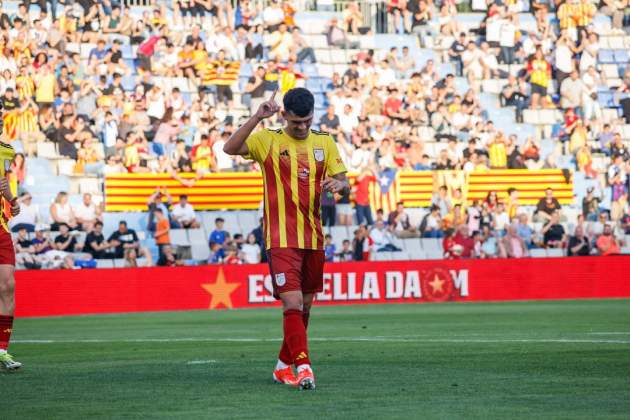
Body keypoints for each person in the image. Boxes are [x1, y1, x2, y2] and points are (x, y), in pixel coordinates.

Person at [223, 87, 349, 390]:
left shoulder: (325, 142)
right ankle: (304, 368)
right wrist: (257, 117)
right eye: (297, 123)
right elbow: (230, 148)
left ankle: (282, 366)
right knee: (291, 302)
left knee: (304, 307)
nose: (302, 127)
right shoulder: (269, 140)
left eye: (307, 121)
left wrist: (339, 185)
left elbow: (345, 183)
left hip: (314, 238)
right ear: (284, 115)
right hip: (280, 238)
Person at [0, 140, 22, 370]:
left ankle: (2, 350)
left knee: (7, 286)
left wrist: (12, 200)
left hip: (1, 227)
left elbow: (3, 181)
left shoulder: (6, 150)